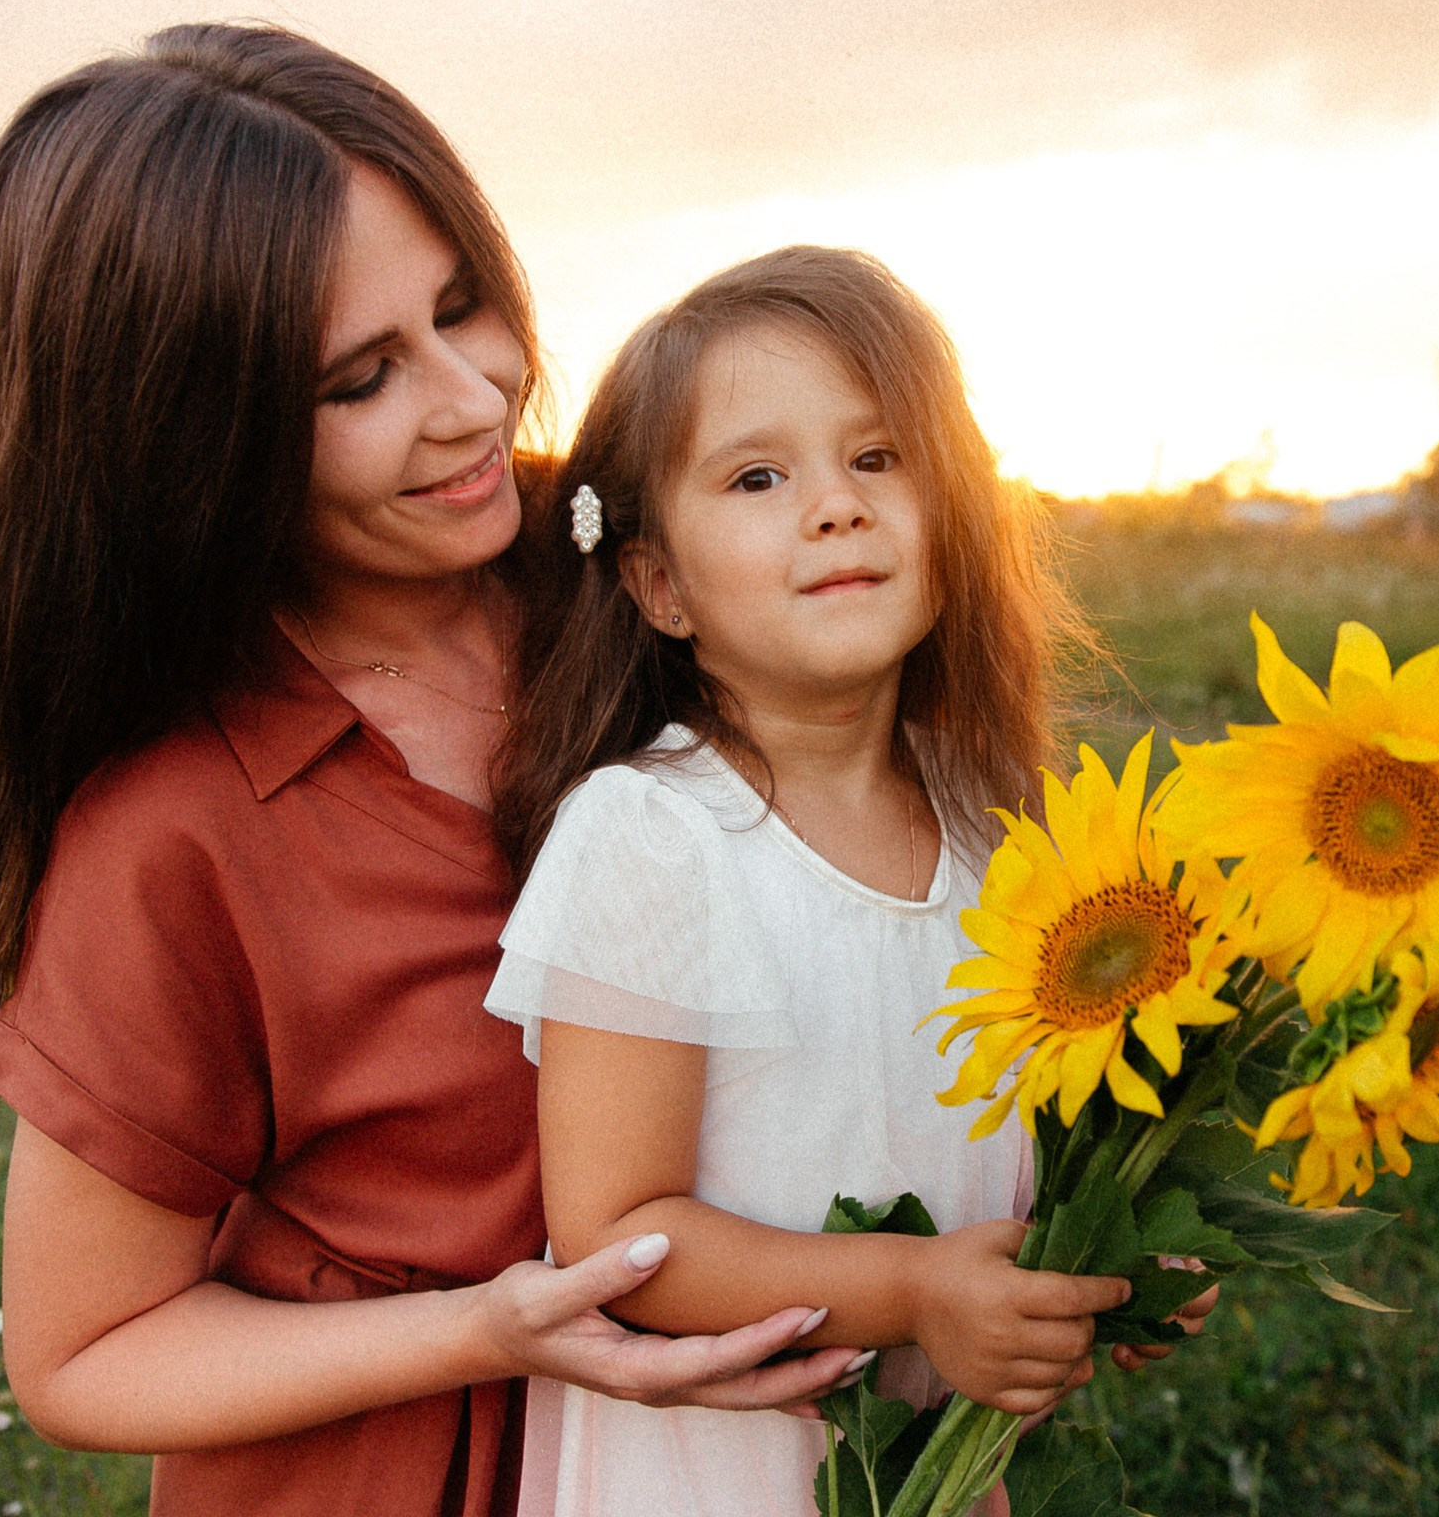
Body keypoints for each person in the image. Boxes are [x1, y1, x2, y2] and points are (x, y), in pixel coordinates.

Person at [0, 26, 865, 1517]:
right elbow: (85, 1354)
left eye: (464, 305)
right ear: (189, 440)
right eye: (361, 380)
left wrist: (1058, 1219)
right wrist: (485, 1328)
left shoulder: (668, 570)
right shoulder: (180, 829)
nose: (476, 401)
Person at [485, 247, 1213, 1517]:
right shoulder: (653, 831)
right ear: (658, 585)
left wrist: (1097, 1258)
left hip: (931, 1461)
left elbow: (999, 1133)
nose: (836, 505)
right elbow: (615, 1238)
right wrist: (923, 1291)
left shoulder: (996, 825)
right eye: (759, 476)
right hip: (718, 1463)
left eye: (878, 457)